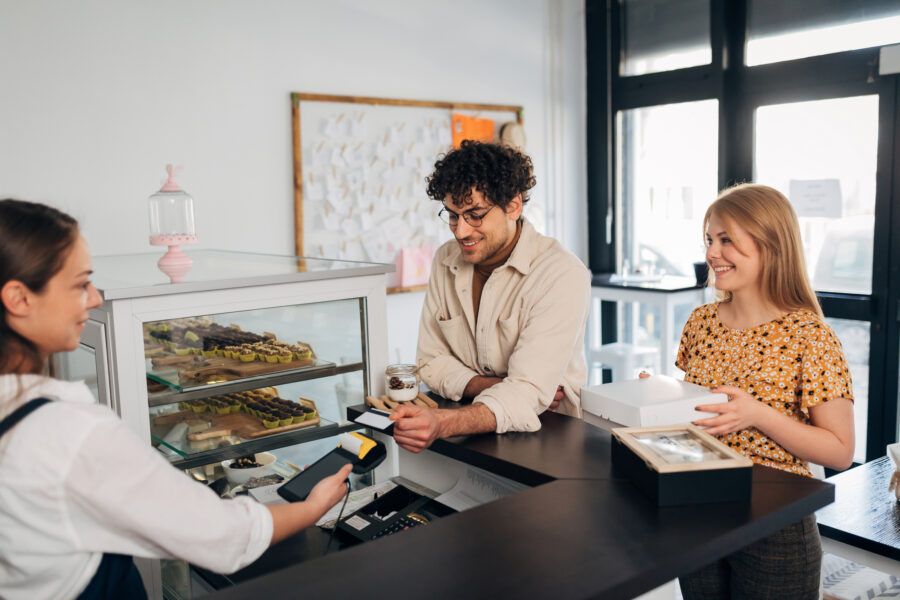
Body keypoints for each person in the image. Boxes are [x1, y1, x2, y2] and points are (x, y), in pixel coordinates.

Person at [0, 199, 353, 600]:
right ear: (19, 299)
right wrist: (312, 506)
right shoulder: (67, 433)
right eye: (80, 284)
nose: (96, 299)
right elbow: (221, 535)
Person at [673, 184, 855, 599]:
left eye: (727, 241)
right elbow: (695, 415)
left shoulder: (810, 336)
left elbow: (840, 450)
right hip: (698, 508)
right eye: (710, 239)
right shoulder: (700, 322)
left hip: (776, 524)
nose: (712, 253)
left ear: (771, 248)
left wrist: (758, 414)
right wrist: (660, 400)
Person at [390, 141, 591, 453]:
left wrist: (442, 422)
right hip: (474, 426)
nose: (460, 231)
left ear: (513, 206)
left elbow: (528, 394)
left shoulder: (562, 274)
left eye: (475, 214)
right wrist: (498, 386)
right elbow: (429, 362)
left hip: (549, 437)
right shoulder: (446, 258)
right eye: (453, 215)